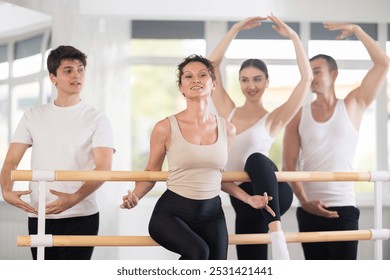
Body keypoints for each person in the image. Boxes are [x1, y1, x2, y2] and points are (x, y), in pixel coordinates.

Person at [121, 54, 274, 260]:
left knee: (217, 267)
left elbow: (218, 176)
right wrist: (135, 197)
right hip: (172, 214)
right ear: (181, 88)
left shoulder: (227, 129)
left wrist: (248, 199)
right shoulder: (165, 127)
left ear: (213, 85)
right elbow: (151, 171)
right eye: (188, 76)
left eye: (203, 75)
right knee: (199, 253)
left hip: (212, 214)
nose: (196, 80)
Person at [207, 15, 313, 260]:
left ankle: (276, 232)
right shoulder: (228, 110)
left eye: (257, 79)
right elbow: (212, 65)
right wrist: (234, 28)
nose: (251, 85)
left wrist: (294, 37)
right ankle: (274, 240)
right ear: (240, 82)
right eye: (245, 80)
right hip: (242, 197)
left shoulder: (274, 118)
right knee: (250, 261)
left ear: (267, 82)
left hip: (272, 192)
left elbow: (306, 79)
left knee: (255, 159)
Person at [283, 23, 390, 260]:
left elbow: (383, 62)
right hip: (309, 210)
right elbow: (289, 166)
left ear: (334, 74)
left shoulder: (353, 104)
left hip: (344, 207)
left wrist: (356, 30)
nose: (311, 77)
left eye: (317, 70)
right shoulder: (298, 115)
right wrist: (305, 201)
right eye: (308, 72)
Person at [0, 45, 115, 260]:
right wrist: (6, 191)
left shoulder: (97, 118)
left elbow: (104, 168)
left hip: (82, 214)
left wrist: (74, 198)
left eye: (80, 69)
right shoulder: (33, 115)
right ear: (53, 77)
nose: (76, 75)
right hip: (40, 214)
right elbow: (11, 161)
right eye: (68, 70)